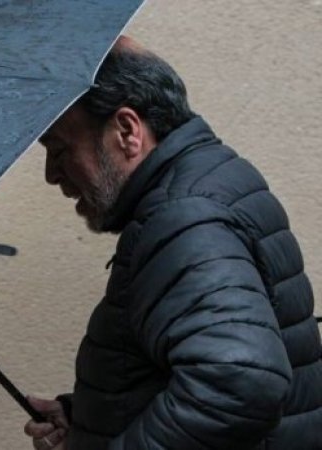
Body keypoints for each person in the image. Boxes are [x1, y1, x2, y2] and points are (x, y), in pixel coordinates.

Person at [24, 36, 322, 450]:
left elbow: (240, 383)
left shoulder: (184, 217)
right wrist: (91, 417)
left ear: (127, 131)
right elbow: (199, 357)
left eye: (60, 150)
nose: (51, 175)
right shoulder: (207, 179)